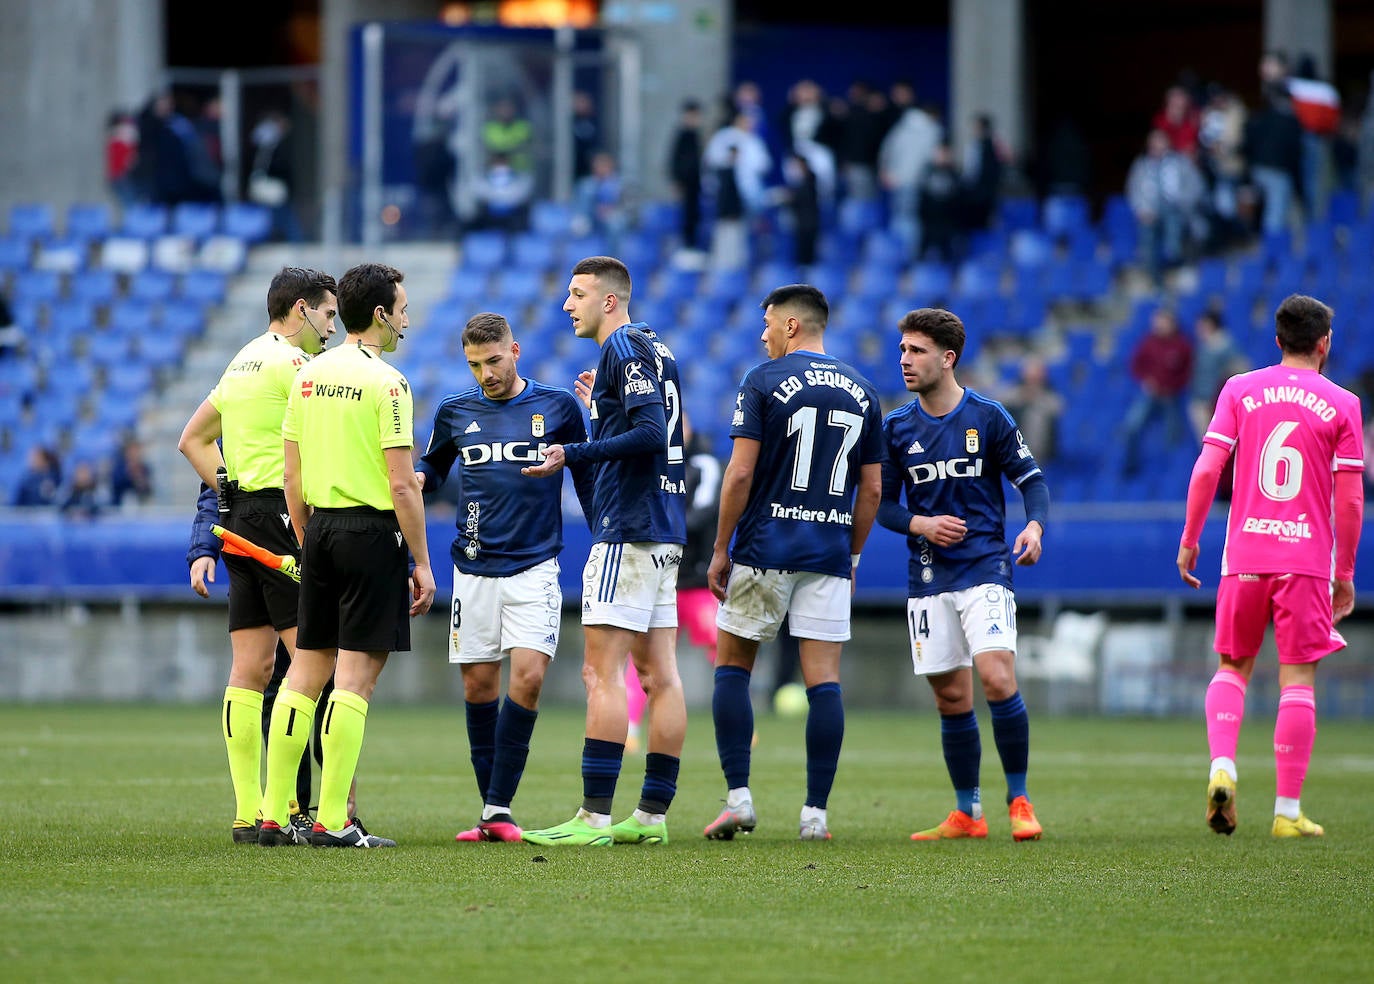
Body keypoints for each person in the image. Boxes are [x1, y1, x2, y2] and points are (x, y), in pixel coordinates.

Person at [258, 261, 436, 849]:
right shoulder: (389, 383)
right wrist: (423, 562)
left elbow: (291, 471)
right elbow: (404, 484)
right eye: (403, 308)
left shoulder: (308, 374)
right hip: (369, 532)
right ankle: (334, 820)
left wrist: (309, 536)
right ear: (382, 314)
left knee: (304, 675)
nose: (406, 318)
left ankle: (273, 814)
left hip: (321, 530)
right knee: (354, 682)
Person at [703, 283, 885, 843]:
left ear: (790, 326)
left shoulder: (762, 381)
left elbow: (738, 473)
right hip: (828, 551)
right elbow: (872, 490)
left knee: (733, 668)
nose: (762, 335)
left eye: (766, 324)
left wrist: (719, 549)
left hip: (765, 546)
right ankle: (815, 816)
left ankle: (738, 800)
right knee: (823, 682)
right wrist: (851, 553)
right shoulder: (864, 390)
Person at [1177, 293, 1363, 839]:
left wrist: (1191, 539)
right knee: (1298, 678)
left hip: (1245, 556)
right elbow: (1350, 501)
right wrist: (1344, 572)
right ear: (1324, 343)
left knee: (1233, 666)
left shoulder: (1239, 388)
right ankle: (1286, 812)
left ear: (1277, 341)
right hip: (1305, 559)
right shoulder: (1344, 403)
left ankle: (1223, 767)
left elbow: (1208, 467)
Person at [519, 255, 688, 847]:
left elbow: (647, 434)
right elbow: (651, 428)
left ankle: (592, 818)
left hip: (632, 528)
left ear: (609, 301)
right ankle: (651, 817)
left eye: (578, 294)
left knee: (602, 672)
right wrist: (602, 415)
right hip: (665, 527)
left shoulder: (621, 348)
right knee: (660, 676)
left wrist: (573, 451)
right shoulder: (654, 348)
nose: (568, 305)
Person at [415, 311, 594, 843]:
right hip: (472, 566)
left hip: (536, 563)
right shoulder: (454, 410)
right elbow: (433, 469)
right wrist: (412, 478)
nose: (485, 374)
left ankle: (498, 806)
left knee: (530, 677)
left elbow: (586, 470)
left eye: (493, 361)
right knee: (477, 685)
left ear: (514, 351)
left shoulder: (557, 406)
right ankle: (492, 810)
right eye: (475, 365)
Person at [176, 266, 338, 843]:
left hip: (240, 521)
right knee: (312, 663)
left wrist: (226, 490)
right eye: (326, 315)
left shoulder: (241, 361)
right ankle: (286, 811)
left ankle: (249, 814)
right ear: (301, 309)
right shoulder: (296, 365)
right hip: (281, 517)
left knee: (251, 669)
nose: (330, 328)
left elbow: (191, 439)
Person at [877, 307, 1049, 842]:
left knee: (997, 678)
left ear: (948, 359)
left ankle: (1019, 799)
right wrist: (921, 523)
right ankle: (967, 813)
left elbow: (1032, 482)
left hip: (985, 568)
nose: (905, 360)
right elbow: (882, 506)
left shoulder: (989, 417)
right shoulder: (895, 428)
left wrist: (1036, 527)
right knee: (951, 697)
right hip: (928, 577)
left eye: (917, 351)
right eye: (903, 349)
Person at [186, 479, 362, 832]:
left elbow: (213, 472)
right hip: (288, 530)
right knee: (315, 674)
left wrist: (206, 544)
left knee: (268, 675)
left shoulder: (233, 426)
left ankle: (263, 811)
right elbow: (218, 478)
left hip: (254, 528)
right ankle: (306, 809)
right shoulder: (302, 423)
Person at [626, 411, 723, 753]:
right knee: (643, 657)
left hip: (695, 579)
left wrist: (660, 527)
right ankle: (630, 728)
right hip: (658, 578)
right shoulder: (651, 461)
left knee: (721, 651)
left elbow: (702, 513)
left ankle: (738, 721)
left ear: (689, 426)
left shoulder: (705, 465)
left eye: (678, 422)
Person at [1119, 306, 1194, 476]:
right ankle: (1131, 465)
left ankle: (1173, 473)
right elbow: (1136, 366)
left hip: (1171, 396)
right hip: (1150, 394)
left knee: (1173, 437)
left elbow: (1189, 372)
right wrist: (1146, 380)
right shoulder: (1148, 343)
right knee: (1132, 426)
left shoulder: (1182, 345)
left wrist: (1173, 386)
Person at [666, 98, 706, 259]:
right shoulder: (682, 135)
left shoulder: (697, 135)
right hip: (685, 182)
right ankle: (686, 247)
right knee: (685, 215)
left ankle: (693, 246)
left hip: (696, 182)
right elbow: (675, 160)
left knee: (695, 214)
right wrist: (677, 181)